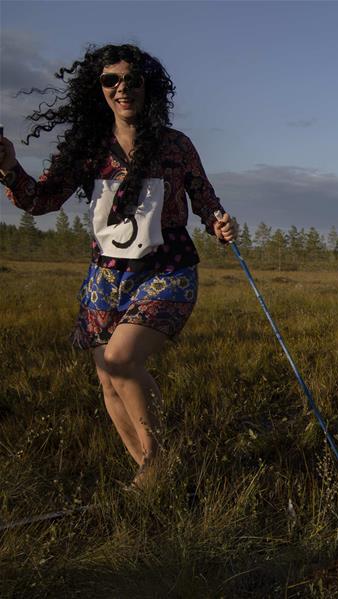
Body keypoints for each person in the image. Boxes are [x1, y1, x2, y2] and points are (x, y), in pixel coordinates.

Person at [0, 44, 235, 486]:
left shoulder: (175, 145)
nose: (122, 88)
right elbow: (41, 200)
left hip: (167, 270)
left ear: (149, 87)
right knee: (108, 379)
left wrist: (219, 222)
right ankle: (148, 479)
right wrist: (10, 167)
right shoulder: (90, 148)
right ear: (100, 89)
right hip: (105, 278)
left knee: (121, 359)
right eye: (111, 80)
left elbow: (205, 199)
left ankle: (159, 464)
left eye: (132, 80)